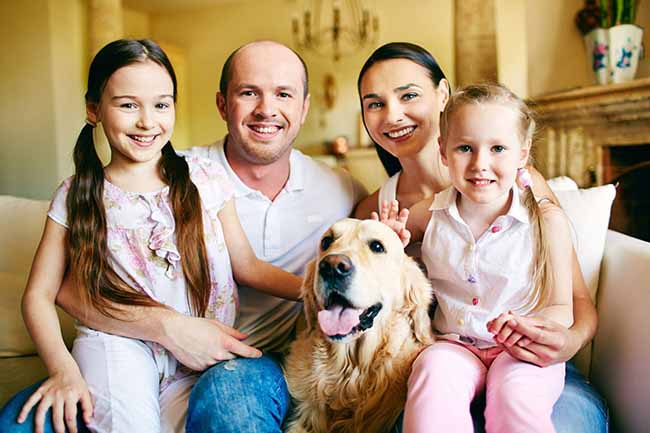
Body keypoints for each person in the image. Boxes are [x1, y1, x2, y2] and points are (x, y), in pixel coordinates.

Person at [0, 40, 364, 433]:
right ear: (94, 109)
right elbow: (45, 292)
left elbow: (248, 267)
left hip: (206, 359)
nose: (146, 121)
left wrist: (328, 291)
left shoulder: (206, 180)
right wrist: (64, 370)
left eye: (161, 105)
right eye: (127, 105)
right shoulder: (79, 193)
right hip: (120, 347)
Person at [355, 42, 607, 433]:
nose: (393, 114)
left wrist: (568, 339)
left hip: (527, 356)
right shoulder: (397, 211)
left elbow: (572, 300)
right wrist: (391, 246)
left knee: (529, 403)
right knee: (429, 386)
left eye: (408, 95)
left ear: (442, 95)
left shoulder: (530, 198)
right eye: (375, 103)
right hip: (450, 351)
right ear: (446, 151)